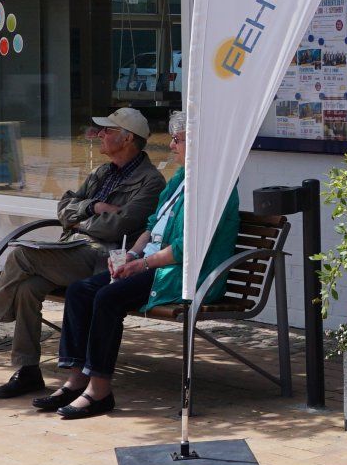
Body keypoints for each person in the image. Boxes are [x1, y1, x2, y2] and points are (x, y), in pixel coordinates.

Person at [0, 107, 165, 394]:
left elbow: (117, 228)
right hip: (74, 249)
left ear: (128, 138)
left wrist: (80, 223)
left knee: (21, 254)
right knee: (28, 287)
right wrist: (93, 207)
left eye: (108, 131)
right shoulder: (103, 172)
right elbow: (64, 207)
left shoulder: (151, 181)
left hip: (103, 260)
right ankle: (27, 369)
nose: (100, 135)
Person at [37, 114, 242, 419]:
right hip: (152, 265)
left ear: (199, 145)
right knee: (80, 290)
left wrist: (141, 264)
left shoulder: (212, 187)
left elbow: (186, 249)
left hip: (180, 274)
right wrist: (131, 256)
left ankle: (99, 390)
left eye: (179, 139)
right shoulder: (182, 178)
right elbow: (152, 225)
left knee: (108, 297)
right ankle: (76, 378)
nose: (171, 145)